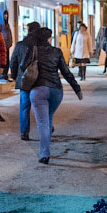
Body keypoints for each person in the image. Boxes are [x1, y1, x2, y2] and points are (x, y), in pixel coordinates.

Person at [26, 27, 83, 164]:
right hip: (56, 91)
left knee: (43, 122)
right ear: (48, 38)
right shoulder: (56, 52)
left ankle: (45, 154)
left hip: (38, 90)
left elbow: (23, 67)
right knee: (48, 117)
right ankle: (47, 139)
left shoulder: (32, 50)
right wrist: (77, 89)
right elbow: (66, 72)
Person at [10, 21, 40, 139]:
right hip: (39, 79)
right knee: (41, 105)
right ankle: (46, 127)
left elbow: (13, 62)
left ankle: (24, 132)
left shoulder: (20, 45)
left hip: (24, 80)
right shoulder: (41, 45)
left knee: (24, 106)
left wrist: (14, 76)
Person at [0, 8, 13, 81]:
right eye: (4, 14)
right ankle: (2, 74)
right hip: (2, 47)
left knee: (7, 60)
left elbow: (9, 35)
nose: (6, 16)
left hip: (6, 46)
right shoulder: (0, 25)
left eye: (6, 14)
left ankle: (5, 74)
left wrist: (10, 43)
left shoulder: (7, 24)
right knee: (3, 60)